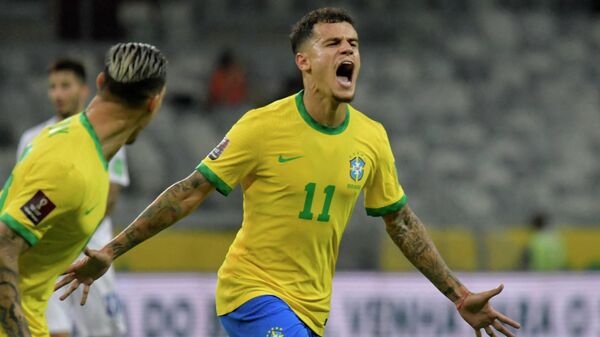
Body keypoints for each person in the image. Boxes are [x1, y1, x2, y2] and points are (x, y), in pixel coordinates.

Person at [56, 8, 520, 337]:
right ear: (304, 62)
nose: (349, 51)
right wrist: (112, 250)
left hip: (311, 310)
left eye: (354, 44)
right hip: (250, 293)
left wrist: (458, 294)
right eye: (334, 43)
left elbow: (399, 221)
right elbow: (190, 192)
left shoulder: (372, 138)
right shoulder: (262, 127)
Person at [0, 42, 167, 337]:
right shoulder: (68, 165)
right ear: (153, 103)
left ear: (100, 82)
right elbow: (2, 246)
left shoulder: (91, 156)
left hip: (34, 316)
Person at [16, 59, 129, 337]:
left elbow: (109, 197)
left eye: (65, 85)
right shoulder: (32, 139)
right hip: (46, 250)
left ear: (83, 90)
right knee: (54, 331)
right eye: (53, 87)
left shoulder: (105, 137)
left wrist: (70, 232)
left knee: (105, 332)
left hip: (91, 250)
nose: (58, 93)